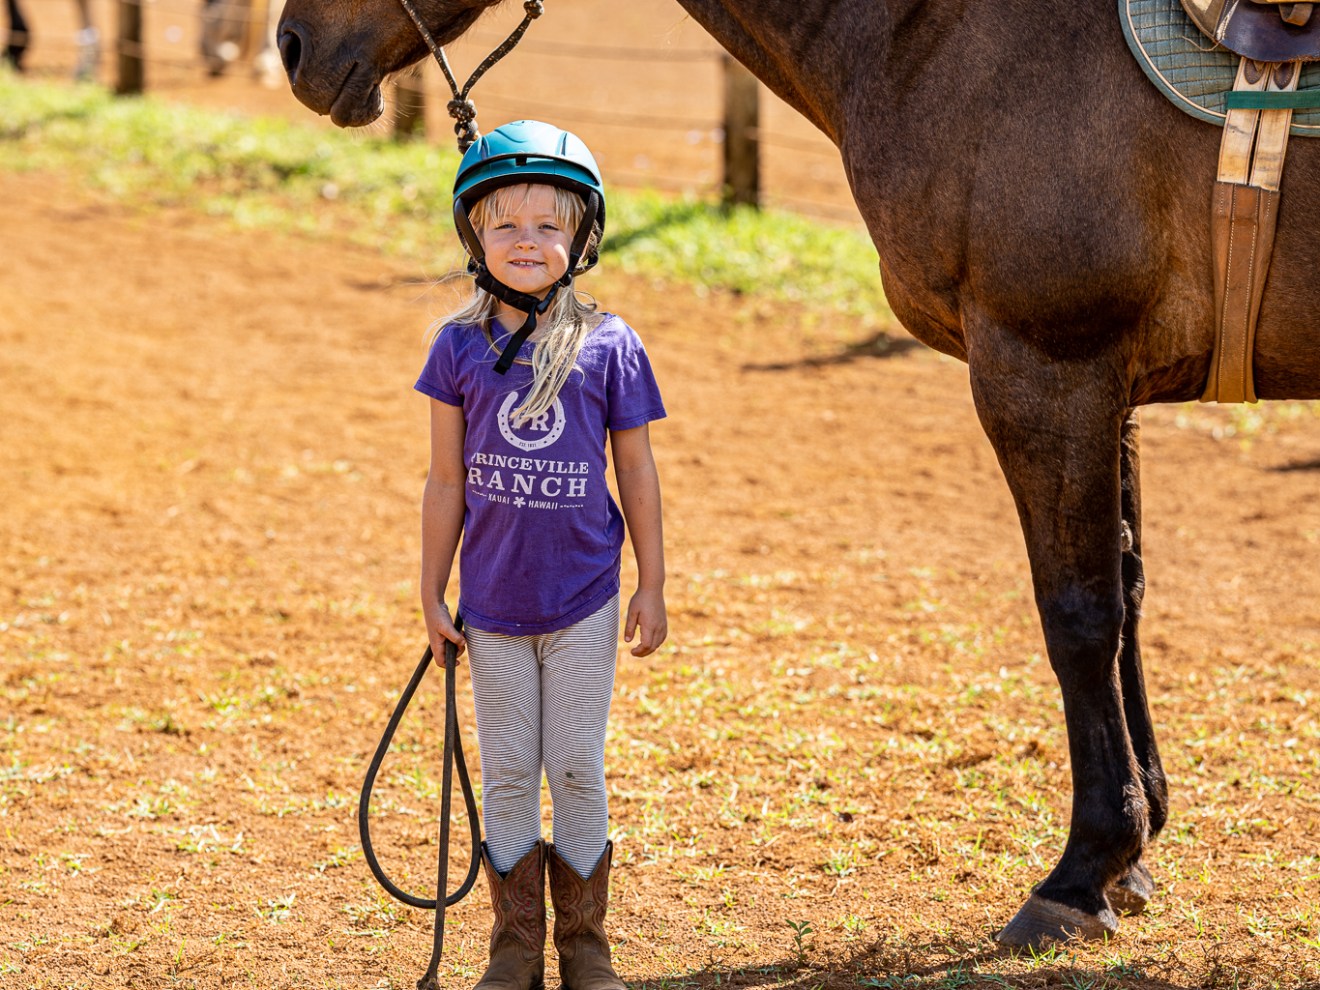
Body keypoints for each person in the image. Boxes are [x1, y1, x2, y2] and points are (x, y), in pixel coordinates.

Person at [414, 119, 667, 990]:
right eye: (507, 225)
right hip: (490, 602)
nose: (529, 241)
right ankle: (514, 946)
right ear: (475, 236)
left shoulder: (612, 345)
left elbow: (635, 471)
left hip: (584, 600)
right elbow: (446, 482)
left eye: (550, 225)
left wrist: (652, 584)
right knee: (512, 765)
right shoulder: (455, 348)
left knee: (575, 762)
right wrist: (430, 590)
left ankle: (585, 948)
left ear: (582, 236)